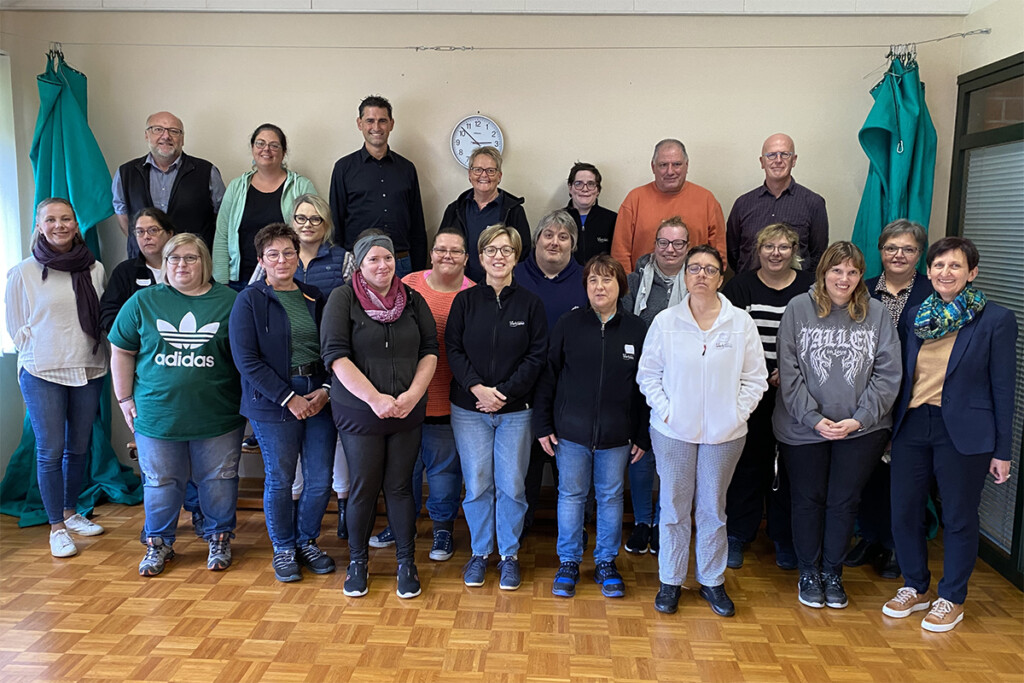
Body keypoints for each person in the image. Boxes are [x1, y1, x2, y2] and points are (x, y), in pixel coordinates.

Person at [884, 237, 1017, 633]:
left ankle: (952, 597)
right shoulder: (916, 316)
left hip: (964, 432)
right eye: (939, 265)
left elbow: (1004, 389)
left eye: (955, 266)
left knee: (958, 517)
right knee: (904, 510)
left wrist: (1003, 450)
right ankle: (915, 586)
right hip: (912, 424)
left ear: (971, 273)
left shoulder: (995, 320)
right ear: (928, 271)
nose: (946, 272)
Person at [637, 245, 768, 617]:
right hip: (672, 432)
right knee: (674, 507)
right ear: (685, 275)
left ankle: (711, 579)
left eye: (710, 269)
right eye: (694, 268)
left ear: (720, 278)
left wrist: (735, 414)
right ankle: (671, 579)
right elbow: (648, 375)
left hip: (725, 436)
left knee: (713, 507)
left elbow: (755, 378)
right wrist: (669, 412)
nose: (701, 275)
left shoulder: (740, 322)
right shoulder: (666, 321)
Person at [773, 241, 901, 610]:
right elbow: (788, 371)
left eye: (852, 271)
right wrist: (814, 419)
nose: (844, 278)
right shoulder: (799, 308)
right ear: (823, 272)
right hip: (802, 427)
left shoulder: (877, 313)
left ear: (861, 275)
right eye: (837, 270)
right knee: (807, 500)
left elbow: (888, 373)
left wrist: (859, 419)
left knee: (844, 502)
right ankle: (808, 572)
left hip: (861, 428)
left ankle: (833, 572)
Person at [109, 234, 244, 577]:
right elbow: (121, 351)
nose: (181, 265)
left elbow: (247, 358)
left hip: (218, 415)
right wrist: (124, 398)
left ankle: (219, 538)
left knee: (219, 479)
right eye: (174, 258)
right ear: (165, 264)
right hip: (157, 415)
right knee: (159, 482)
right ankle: (158, 544)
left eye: (190, 258)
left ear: (204, 263)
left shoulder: (230, 302)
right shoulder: (143, 302)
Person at [321, 231, 438, 599]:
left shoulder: (413, 300)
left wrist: (412, 395)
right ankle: (358, 563)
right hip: (360, 411)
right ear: (359, 264)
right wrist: (375, 399)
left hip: (406, 410)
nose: (382, 265)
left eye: (387, 257)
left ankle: (406, 562)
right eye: (373, 259)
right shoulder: (342, 299)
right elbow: (335, 356)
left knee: (400, 487)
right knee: (364, 487)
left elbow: (430, 350)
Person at [535, 255, 649, 599]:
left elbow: (646, 387)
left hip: (617, 436)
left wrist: (642, 433)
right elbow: (548, 376)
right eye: (593, 281)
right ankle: (569, 561)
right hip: (570, 433)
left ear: (620, 286)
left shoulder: (637, 329)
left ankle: (606, 562)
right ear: (585, 287)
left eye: (607, 279)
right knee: (570, 496)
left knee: (611, 497)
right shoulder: (568, 324)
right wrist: (543, 424)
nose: (600, 287)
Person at [230, 223, 337, 583]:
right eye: (273, 254)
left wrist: (326, 389)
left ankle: (307, 541)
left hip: (319, 396)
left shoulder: (314, 296)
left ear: (298, 256)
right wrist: (288, 398)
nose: (282, 260)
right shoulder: (249, 299)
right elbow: (246, 360)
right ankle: (284, 548)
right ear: (261, 260)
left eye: (289, 252)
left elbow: (332, 347)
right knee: (281, 479)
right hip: (273, 400)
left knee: (320, 479)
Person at [446, 224, 548, 591]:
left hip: (515, 411)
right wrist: (477, 388)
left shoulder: (531, 304)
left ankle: (509, 555)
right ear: (480, 257)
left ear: (516, 257)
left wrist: (502, 393)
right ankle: (479, 552)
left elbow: (536, 356)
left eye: (506, 250)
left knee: (512, 485)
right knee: (476, 484)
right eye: (491, 250)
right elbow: (453, 349)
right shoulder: (465, 301)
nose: (498, 256)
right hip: (469, 409)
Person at [6, 198, 108, 558]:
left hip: (88, 366)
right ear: (39, 225)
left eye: (66, 219)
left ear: (76, 225)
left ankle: (70, 511)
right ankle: (56, 528)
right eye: (51, 219)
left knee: (78, 447)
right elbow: (16, 327)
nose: (59, 225)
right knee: (50, 451)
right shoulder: (24, 271)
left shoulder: (95, 268)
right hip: (42, 370)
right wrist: (45, 348)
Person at [722, 223, 813, 571]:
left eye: (784, 247)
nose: (776, 253)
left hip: (796, 393)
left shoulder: (810, 288)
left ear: (795, 251)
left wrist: (788, 374)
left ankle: (783, 537)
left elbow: (816, 338)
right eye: (768, 246)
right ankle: (738, 534)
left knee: (790, 467)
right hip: (749, 392)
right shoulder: (740, 286)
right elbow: (729, 338)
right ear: (757, 250)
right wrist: (760, 375)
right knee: (747, 465)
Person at [847, 219, 933, 579]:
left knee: (907, 477)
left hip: (916, 397)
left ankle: (898, 545)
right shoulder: (861, 290)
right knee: (869, 473)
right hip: (867, 396)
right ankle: (871, 537)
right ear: (880, 251)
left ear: (919, 254)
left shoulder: (932, 292)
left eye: (908, 249)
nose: (899, 255)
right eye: (891, 248)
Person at [397, 227, 475, 561]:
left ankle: (443, 530)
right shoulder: (408, 284)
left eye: (455, 251)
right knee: (404, 471)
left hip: (448, 400)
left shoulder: (474, 293)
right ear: (431, 254)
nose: (447, 256)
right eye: (441, 249)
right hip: (405, 401)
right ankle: (402, 527)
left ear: (466, 258)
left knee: (444, 473)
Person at [619, 216, 691, 556]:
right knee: (640, 452)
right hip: (638, 379)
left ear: (688, 247)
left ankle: (664, 521)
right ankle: (642, 522)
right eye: (664, 242)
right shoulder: (634, 282)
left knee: (673, 456)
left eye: (678, 243)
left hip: (682, 382)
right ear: (654, 245)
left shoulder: (696, 281)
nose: (670, 249)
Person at [513, 210, 588, 533]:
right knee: (524, 464)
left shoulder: (587, 279)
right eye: (548, 235)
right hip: (522, 388)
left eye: (563, 237)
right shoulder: (514, 275)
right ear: (536, 239)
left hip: (570, 390)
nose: (555, 242)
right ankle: (521, 526)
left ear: (573, 244)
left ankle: (573, 530)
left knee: (569, 464)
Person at [288, 193, 354, 538]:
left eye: (315, 219)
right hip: (288, 366)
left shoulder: (343, 259)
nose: (308, 225)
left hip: (333, 361)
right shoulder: (279, 256)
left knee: (336, 439)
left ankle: (343, 508)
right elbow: (254, 299)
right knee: (293, 446)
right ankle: (295, 517)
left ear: (326, 224)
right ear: (291, 222)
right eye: (301, 218)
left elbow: (357, 305)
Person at [329, 95, 427, 276]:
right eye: (370, 121)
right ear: (359, 124)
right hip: (357, 263)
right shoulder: (343, 168)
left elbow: (417, 224)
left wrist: (419, 272)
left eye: (382, 121)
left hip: (401, 263)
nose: (376, 127)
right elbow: (335, 222)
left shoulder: (407, 168)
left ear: (391, 124)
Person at [213, 123, 315, 288]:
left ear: (283, 152)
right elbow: (222, 235)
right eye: (260, 143)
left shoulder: (301, 186)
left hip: (286, 279)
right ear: (253, 148)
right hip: (239, 282)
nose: (266, 149)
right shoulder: (236, 187)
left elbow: (313, 235)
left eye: (274, 145)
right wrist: (221, 281)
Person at [112, 111, 225, 257]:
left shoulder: (207, 171)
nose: (166, 136)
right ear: (146, 135)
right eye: (158, 129)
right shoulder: (126, 173)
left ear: (182, 139)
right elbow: (123, 215)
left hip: (190, 262)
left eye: (174, 131)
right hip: (143, 262)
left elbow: (222, 216)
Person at [610, 139, 726, 272]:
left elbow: (718, 255)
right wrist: (629, 283)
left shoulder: (707, 200)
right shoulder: (634, 199)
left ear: (686, 165)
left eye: (677, 164)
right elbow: (620, 252)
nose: (670, 171)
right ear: (653, 167)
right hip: (643, 283)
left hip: (694, 282)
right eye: (663, 165)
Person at [726, 134, 829, 274]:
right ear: (762, 162)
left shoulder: (814, 203)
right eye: (771, 155)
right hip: (748, 285)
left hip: (797, 286)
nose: (778, 160)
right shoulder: (742, 204)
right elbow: (733, 254)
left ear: (794, 160)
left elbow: (818, 255)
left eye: (785, 154)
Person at [439, 147, 530, 282]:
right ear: (470, 174)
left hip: (499, 286)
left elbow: (523, 254)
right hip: (459, 285)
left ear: (499, 176)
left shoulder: (514, 211)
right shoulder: (454, 209)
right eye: (478, 170)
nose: (483, 175)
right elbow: (441, 249)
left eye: (490, 170)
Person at [564, 162, 616, 264]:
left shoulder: (613, 220)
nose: (585, 189)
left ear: (598, 190)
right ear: (570, 188)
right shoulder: (557, 220)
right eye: (578, 184)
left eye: (591, 184)